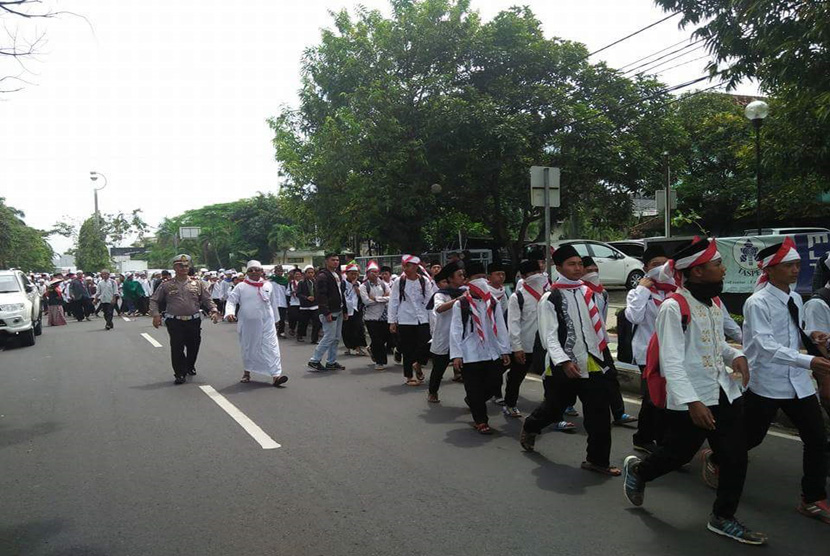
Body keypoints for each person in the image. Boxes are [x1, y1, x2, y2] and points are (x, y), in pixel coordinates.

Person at [622, 238, 765, 545]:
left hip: (722, 390)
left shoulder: (712, 303)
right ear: (697, 271)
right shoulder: (674, 307)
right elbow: (671, 360)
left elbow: (715, 342)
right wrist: (692, 402)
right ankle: (640, 472)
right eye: (717, 264)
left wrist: (735, 355)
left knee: (735, 456)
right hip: (693, 397)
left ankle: (723, 517)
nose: (723, 269)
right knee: (678, 454)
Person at [726, 239, 830, 523]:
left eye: (797, 265)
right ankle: (717, 458)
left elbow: (794, 333)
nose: (796, 270)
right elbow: (765, 345)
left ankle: (812, 498)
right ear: (770, 270)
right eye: (789, 266)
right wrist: (809, 361)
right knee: (751, 437)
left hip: (797, 382)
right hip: (767, 382)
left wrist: (813, 337)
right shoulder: (757, 302)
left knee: (816, 438)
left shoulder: (795, 298)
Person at [520, 244, 618, 475]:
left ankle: (598, 460)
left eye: (580, 264)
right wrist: (564, 361)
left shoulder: (587, 292)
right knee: (554, 408)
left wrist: (605, 355)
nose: (577, 268)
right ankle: (531, 426)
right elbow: (549, 336)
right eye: (571, 264)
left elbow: (598, 325)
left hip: (593, 362)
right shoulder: (550, 298)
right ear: (559, 267)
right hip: (563, 365)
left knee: (599, 414)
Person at [449, 261, 511, 434]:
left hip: (491, 351)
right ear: (468, 281)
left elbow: (500, 327)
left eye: (484, 277)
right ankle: (481, 421)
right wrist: (457, 354)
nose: (482, 281)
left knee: (494, 383)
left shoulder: (492, 302)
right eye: (477, 278)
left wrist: (504, 350)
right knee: (474, 387)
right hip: (470, 353)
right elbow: (456, 329)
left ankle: (474, 400)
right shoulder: (461, 304)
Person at [624, 245, 671, 453]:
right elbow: (634, 317)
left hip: (672, 350)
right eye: (655, 264)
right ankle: (643, 438)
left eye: (664, 263)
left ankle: (665, 438)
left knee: (669, 396)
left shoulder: (674, 288)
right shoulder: (637, 293)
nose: (660, 268)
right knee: (653, 398)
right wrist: (642, 289)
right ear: (645, 268)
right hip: (648, 352)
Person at [582, 255, 637, 426]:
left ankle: (619, 413)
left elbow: (602, 317)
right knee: (577, 379)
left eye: (595, 270)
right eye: (589, 271)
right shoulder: (578, 293)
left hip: (599, 342)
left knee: (611, 375)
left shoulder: (602, 293)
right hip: (582, 343)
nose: (593, 273)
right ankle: (563, 407)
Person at [150, 254, 221, 385]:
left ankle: (189, 365)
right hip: (175, 321)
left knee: (193, 345)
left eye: (186, 266)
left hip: (193, 320)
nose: (184, 268)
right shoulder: (166, 285)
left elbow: (207, 299)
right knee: (177, 346)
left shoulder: (198, 283)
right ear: (174, 268)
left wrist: (214, 310)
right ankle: (179, 373)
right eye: (180, 266)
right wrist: (156, 315)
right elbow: (154, 300)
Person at [224, 260, 288, 387]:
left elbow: (273, 303)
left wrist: (276, 320)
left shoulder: (268, 285)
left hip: (267, 322)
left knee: (272, 347)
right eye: (251, 270)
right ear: (247, 273)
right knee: (249, 348)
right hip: (248, 324)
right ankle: (247, 372)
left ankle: (276, 375)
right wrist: (229, 313)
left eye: (257, 270)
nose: (254, 272)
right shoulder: (241, 286)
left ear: (261, 272)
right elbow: (231, 301)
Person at [503, 259, 548, 418]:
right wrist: (517, 347)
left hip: (546, 343)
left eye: (538, 272)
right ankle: (510, 404)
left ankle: (553, 408)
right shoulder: (518, 297)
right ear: (523, 277)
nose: (536, 276)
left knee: (550, 377)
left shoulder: (548, 293)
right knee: (517, 376)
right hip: (526, 344)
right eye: (531, 273)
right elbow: (513, 324)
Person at [388, 255, 437, 386]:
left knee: (426, 343)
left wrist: (433, 319)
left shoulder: (424, 281)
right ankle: (409, 376)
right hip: (405, 319)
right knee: (407, 348)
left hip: (422, 318)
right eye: (404, 266)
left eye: (408, 266)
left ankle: (418, 363)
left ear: (416, 267)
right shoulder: (399, 281)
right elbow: (393, 301)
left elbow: (430, 300)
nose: (406, 269)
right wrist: (392, 321)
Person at [427, 261, 466, 402]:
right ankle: (433, 391)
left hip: (462, 336)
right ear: (450, 278)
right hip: (444, 335)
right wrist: (459, 300)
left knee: (469, 370)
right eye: (459, 275)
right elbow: (439, 308)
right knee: (439, 368)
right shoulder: (441, 295)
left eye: (463, 275)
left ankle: (472, 398)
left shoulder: (466, 291)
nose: (463, 277)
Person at [308, 253, 347, 372]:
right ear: (326, 261)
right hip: (329, 311)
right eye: (333, 260)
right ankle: (314, 360)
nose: (335, 262)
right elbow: (321, 295)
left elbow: (341, 294)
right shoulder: (322, 276)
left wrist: (345, 309)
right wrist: (326, 312)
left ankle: (331, 361)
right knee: (329, 336)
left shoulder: (337, 274)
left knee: (336, 338)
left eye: (337, 260)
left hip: (339, 309)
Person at [360, 260, 392, 370]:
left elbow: (390, 297)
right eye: (372, 272)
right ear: (367, 273)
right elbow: (366, 301)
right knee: (377, 339)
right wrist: (383, 298)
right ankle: (380, 361)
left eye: (376, 272)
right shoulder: (364, 287)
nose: (375, 274)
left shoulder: (384, 284)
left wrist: (376, 299)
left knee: (385, 338)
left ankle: (372, 349)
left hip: (384, 316)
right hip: (371, 317)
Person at [341, 261, 368, 356]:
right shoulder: (343, 284)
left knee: (358, 328)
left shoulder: (359, 283)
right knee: (346, 329)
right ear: (346, 274)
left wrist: (355, 285)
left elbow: (361, 296)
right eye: (352, 274)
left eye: (355, 274)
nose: (354, 276)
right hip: (346, 310)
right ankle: (348, 347)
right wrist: (343, 310)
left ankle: (358, 348)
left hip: (356, 309)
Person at [296, 265, 321, 343]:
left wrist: (315, 298)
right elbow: (298, 294)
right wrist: (306, 297)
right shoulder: (301, 282)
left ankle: (314, 339)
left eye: (312, 272)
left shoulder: (316, 282)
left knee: (317, 322)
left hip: (315, 305)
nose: (310, 274)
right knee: (303, 322)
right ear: (305, 273)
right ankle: (300, 335)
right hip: (305, 306)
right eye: (309, 272)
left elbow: (319, 292)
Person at [269, 264, 290, 339]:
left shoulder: (285, 281)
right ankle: (272, 331)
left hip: (282, 302)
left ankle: (281, 331)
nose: (279, 272)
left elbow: (287, 292)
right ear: (275, 272)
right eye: (278, 271)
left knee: (282, 318)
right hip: (273, 303)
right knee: (272, 318)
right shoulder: (271, 281)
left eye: (281, 271)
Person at [286, 268, 302, 337]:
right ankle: (292, 328)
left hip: (302, 302)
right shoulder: (291, 283)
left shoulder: (303, 282)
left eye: (299, 274)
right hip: (293, 302)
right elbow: (287, 292)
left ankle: (300, 333)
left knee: (301, 318)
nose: (297, 275)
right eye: (296, 274)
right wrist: (291, 292)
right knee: (293, 316)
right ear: (294, 275)